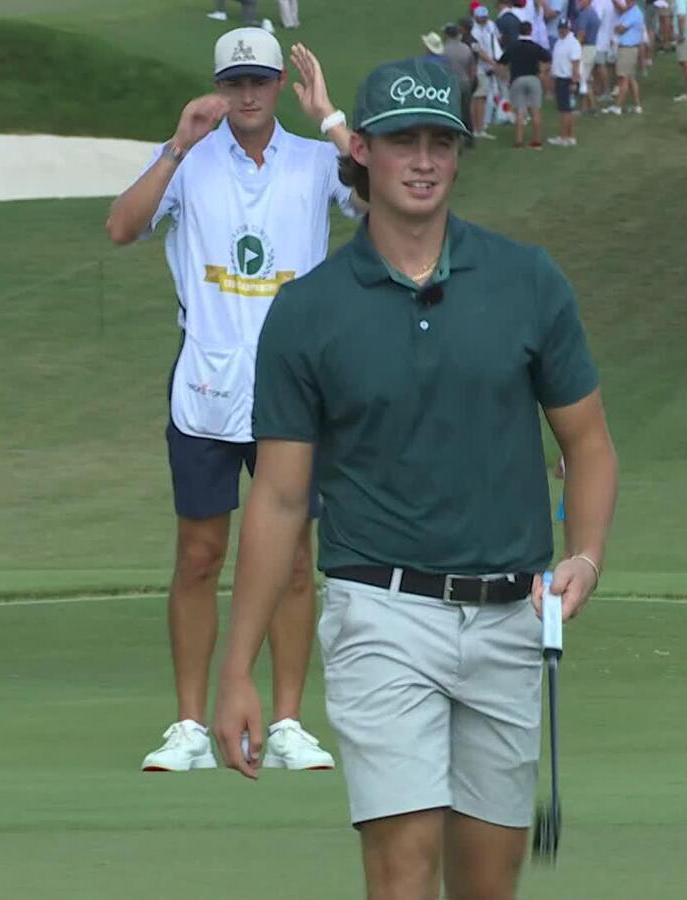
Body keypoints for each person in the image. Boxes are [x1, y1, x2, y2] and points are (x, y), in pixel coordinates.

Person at [212, 54, 618, 900]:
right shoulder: (308, 312)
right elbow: (281, 498)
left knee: (487, 884)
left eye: (441, 140)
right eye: (403, 141)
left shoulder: (527, 282)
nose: (424, 160)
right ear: (361, 150)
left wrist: (584, 556)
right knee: (401, 871)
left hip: (511, 616)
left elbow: (589, 445)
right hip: (380, 613)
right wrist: (237, 669)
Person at [104, 27, 358, 773]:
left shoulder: (315, 162)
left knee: (293, 558)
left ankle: (285, 722)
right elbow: (122, 227)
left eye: (260, 80)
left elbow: (380, 200)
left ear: (280, 84)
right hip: (207, 384)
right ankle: (188, 725)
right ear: (219, 86)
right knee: (199, 553)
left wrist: (332, 119)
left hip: (294, 385)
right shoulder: (189, 160)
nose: (247, 93)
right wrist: (177, 146)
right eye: (234, 81)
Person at [501, 21, 553, 147]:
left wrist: (507, 77)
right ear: (530, 31)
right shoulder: (535, 46)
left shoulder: (513, 46)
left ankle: (519, 140)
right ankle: (537, 140)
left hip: (517, 79)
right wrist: (543, 71)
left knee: (520, 111)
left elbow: (502, 62)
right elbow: (548, 58)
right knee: (535, 111)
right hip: (533, 79)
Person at [470, 6, 504, 137]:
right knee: (480, 97)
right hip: (481, 67)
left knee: (492, 93)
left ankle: (485, 122)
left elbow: (497, 39)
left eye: (485, 18)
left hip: (492, 62)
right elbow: (479, 51)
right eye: (481, 18)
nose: (483, 20)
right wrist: (492, 62)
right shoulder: (474, 31)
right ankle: (478, 126)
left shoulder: (490, 25)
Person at [548, 17, 582, 145]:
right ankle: (569, 136)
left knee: (565, 110)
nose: (562, 31)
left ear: (569, 28)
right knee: (566, 110)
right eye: (560, 28)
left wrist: (574, 82)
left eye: (564, 28)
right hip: (559, 79)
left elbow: (575, 64)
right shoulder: (559, 42)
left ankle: (564, 137)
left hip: (567, 80)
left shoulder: (573, 43)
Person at [442, 22, 480, 137]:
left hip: (450, 84)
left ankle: (452, 134)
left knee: (451, 110)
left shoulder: (444, 50)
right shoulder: (466, 48)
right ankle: (469, 136)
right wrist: (472, 83)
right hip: (465, 83)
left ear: (447, 35)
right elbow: (472, 69)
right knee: (466, 111)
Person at [608, 0, 645, 114]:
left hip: (627, 48)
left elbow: (620, 28)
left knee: (622, 78)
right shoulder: (629, 11)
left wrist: (617, 28)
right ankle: (637, 105)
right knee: (630, 78)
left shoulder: (634, 12)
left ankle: (617, 106)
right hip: (628, 48)